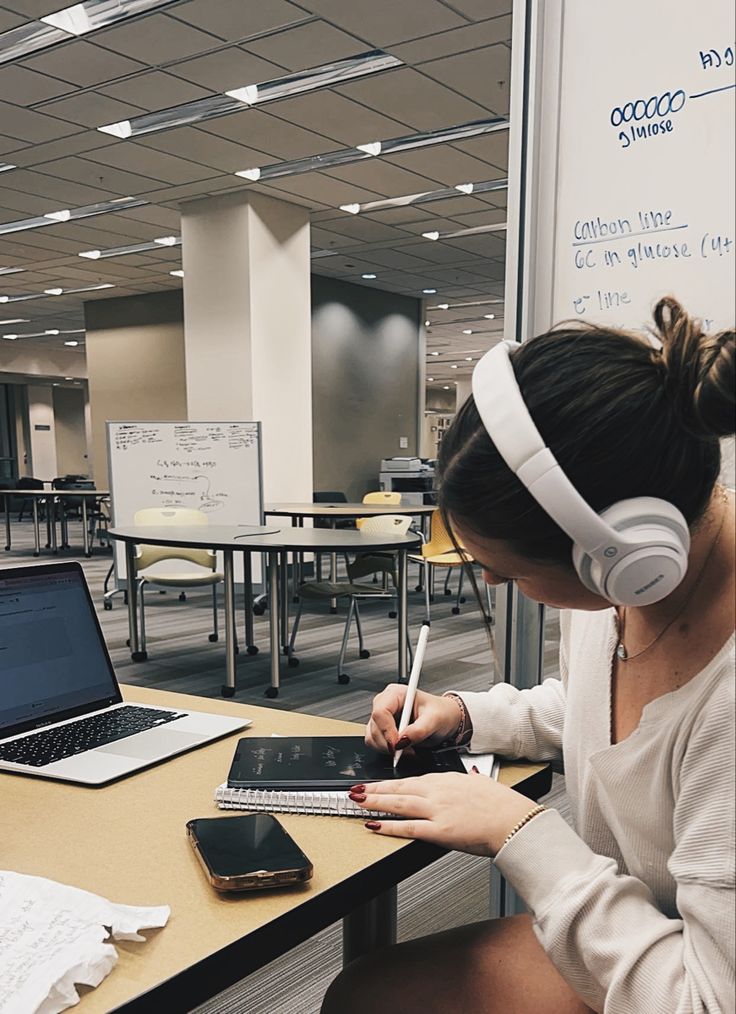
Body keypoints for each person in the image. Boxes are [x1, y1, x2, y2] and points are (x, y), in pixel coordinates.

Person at [321, 297, 735, 1014]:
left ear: (624, 554)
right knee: (367, 993)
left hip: (691, 980)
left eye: (505, 572)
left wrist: (521, 833)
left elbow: (705, 1002)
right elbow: (601, 716)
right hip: (649, 927)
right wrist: (462, 715)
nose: (486, 582)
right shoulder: (632, 590)